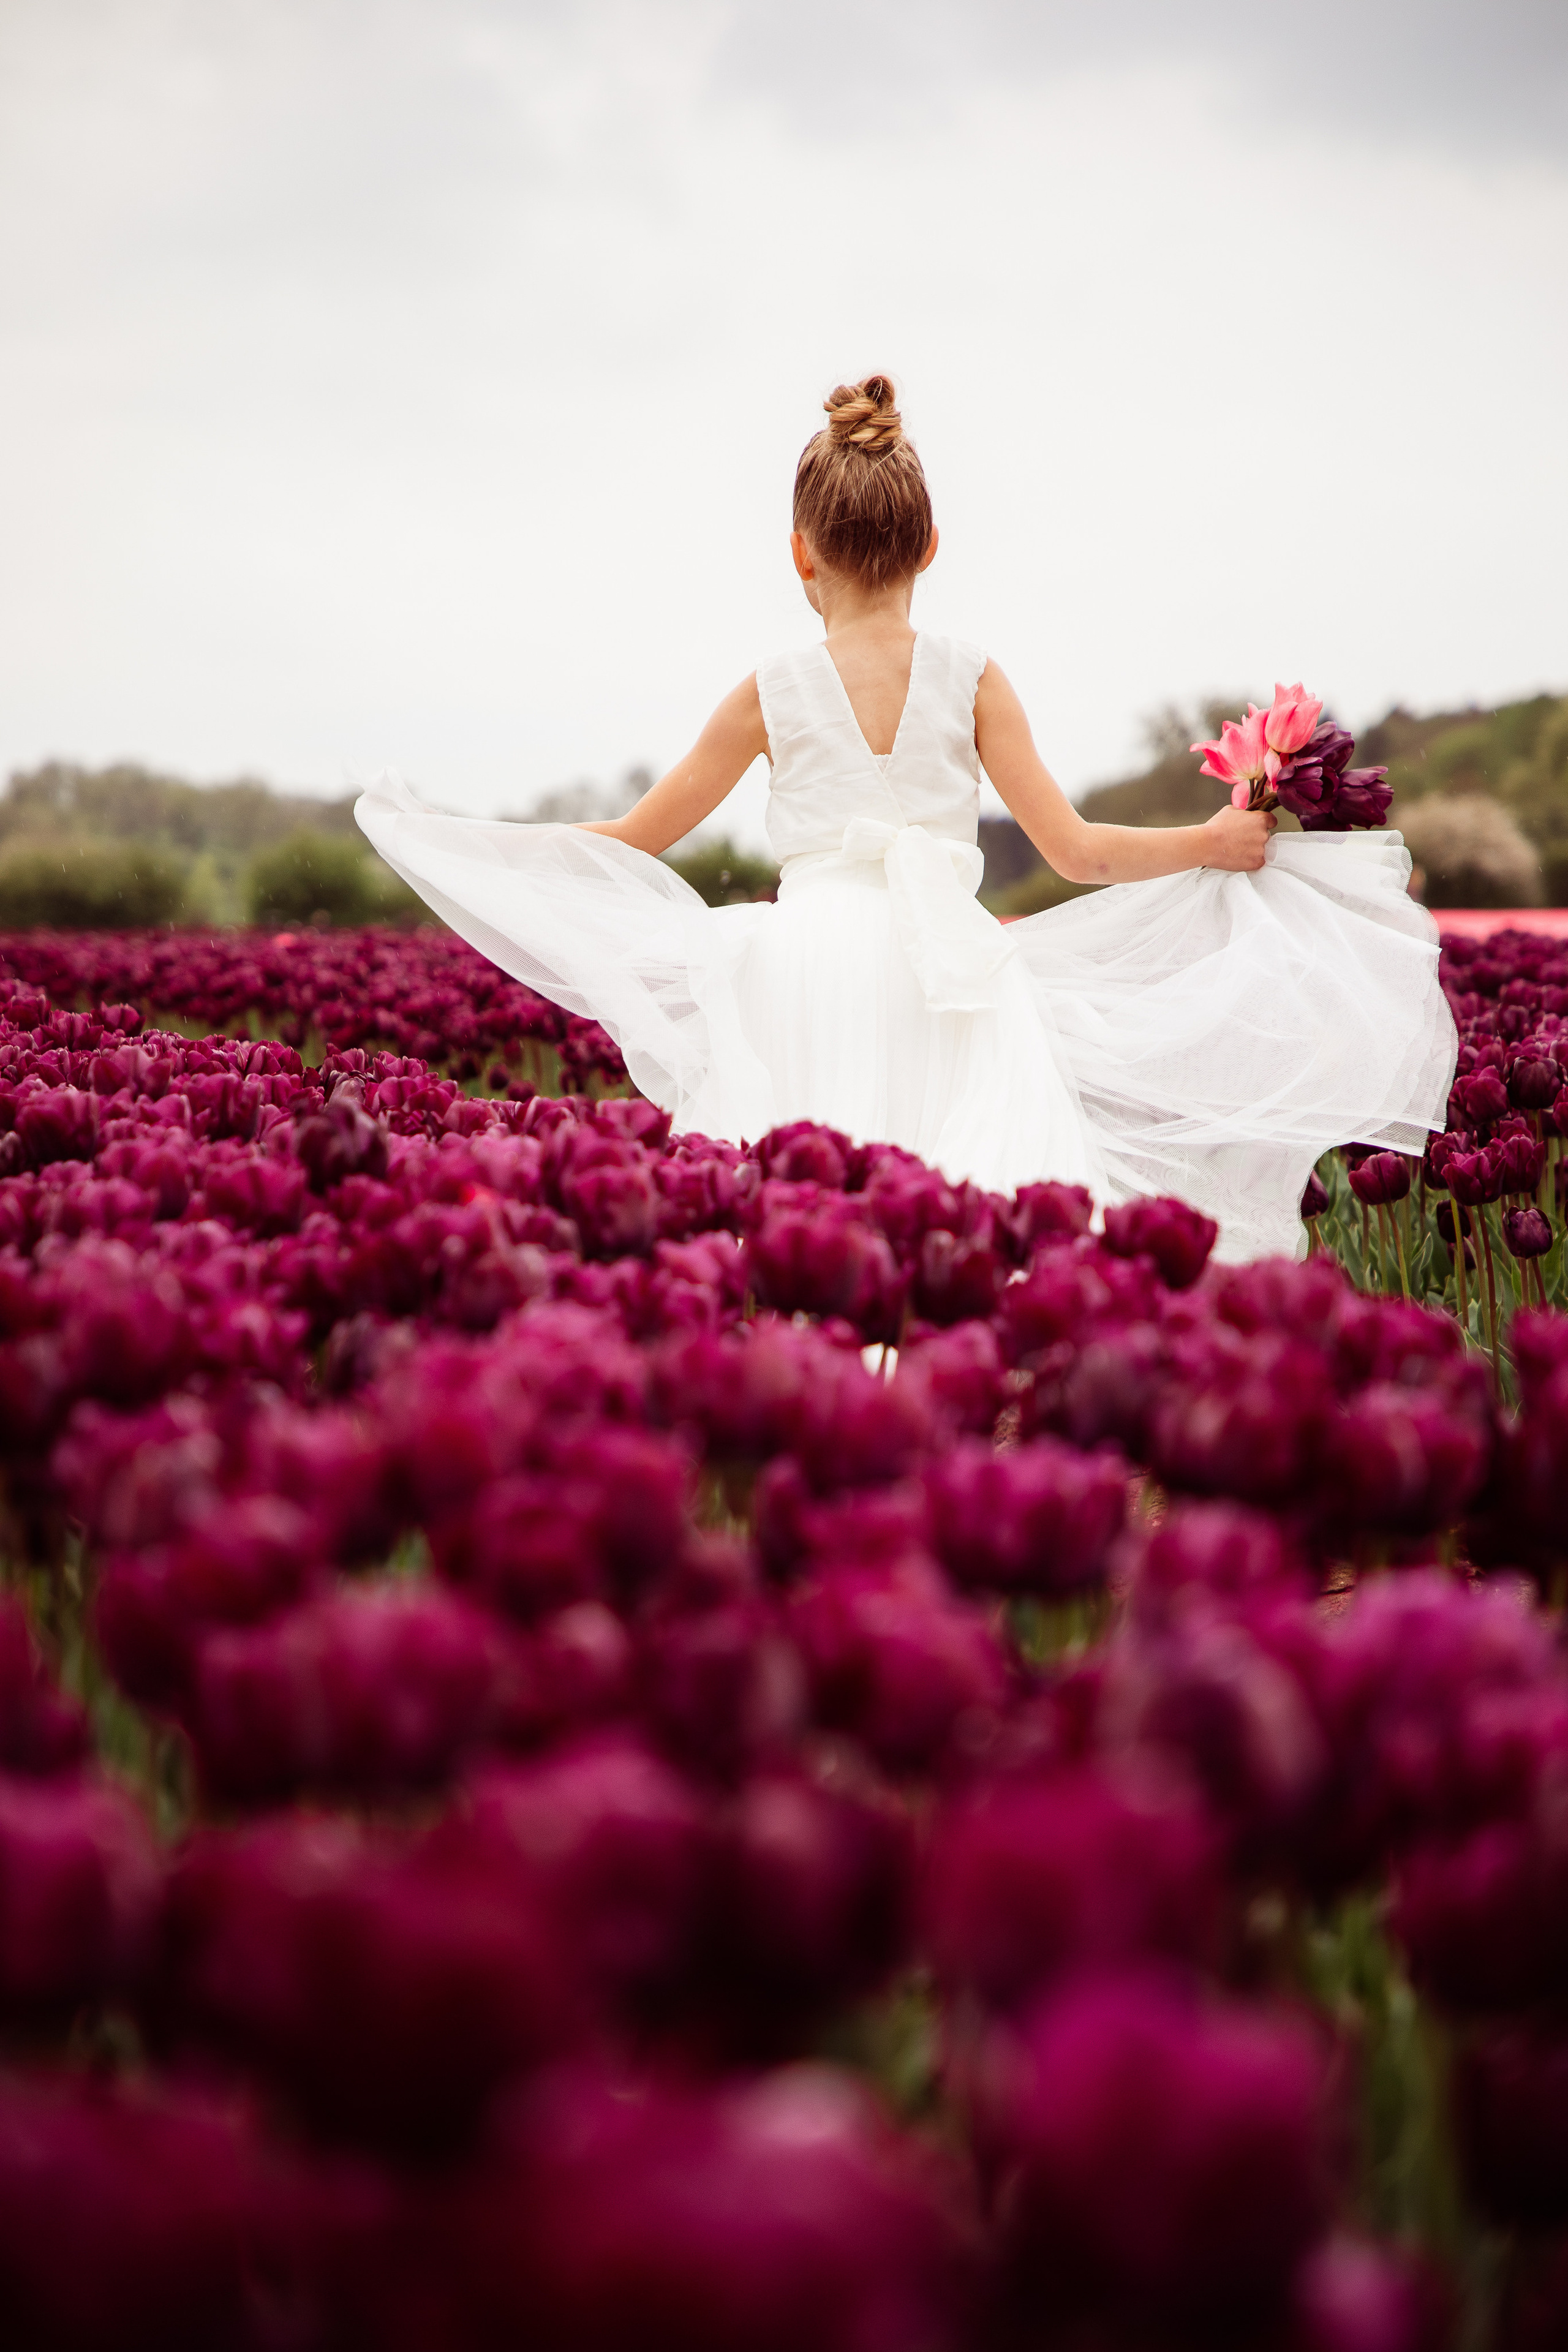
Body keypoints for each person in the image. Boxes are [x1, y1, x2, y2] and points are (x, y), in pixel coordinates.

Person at [356, 375, 1455, 1260]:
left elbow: (634, 842)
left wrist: (481, 846)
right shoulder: (973, 678)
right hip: (953, 976)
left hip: (799, 971)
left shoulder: (769, 690)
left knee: (795, 1226)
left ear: (801, 552)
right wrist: (1210, 843)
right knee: (965, 1225)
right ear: (931, 545)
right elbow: (1077, 852)